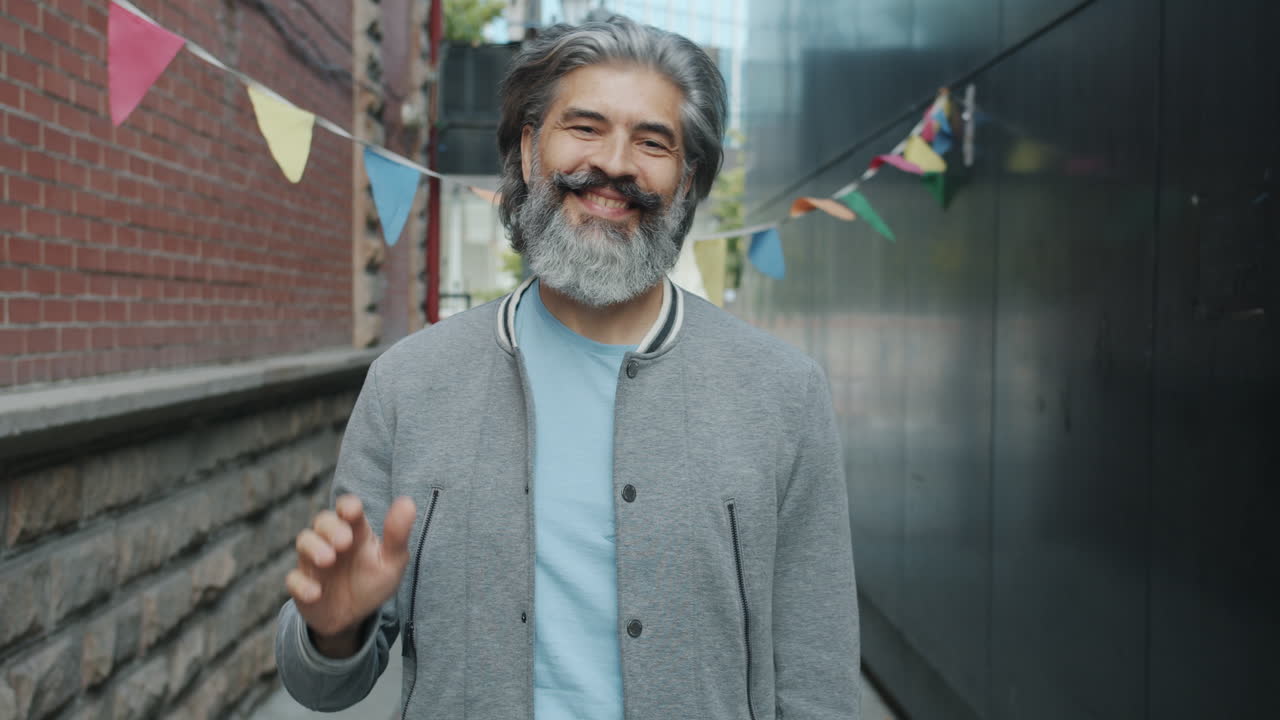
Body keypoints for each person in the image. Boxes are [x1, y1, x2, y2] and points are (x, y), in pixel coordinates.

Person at [274, 15, 860, 720]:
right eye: (584, 127)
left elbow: (819, 682)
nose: (615, 163)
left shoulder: (782, 395)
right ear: (528, 149)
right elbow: (321, 684)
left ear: (688, 179)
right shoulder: (410, 384)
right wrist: (332, 630)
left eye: (652, 141)